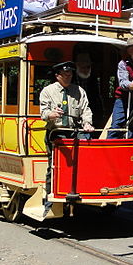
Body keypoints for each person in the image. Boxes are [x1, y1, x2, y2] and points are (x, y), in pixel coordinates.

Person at [39, 61, 94, 196]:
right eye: (65, 75)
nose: (68, 77)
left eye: (70, 75)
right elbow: (43, 113)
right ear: (58, 76)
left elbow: (85, 110)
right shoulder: (48, 91)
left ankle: (81, 189)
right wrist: (52, 114)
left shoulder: (79, 91)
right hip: (57, 132)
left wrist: (87, 123)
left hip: (74, 131)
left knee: (87, 151)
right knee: (56, 165)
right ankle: (50, 196)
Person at [73, 48, 106, 129]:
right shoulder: (71, 79)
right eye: (82, 66)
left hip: (92, 114)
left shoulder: (93, 79)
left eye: (88, 67)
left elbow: (97, 97)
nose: (85, 69)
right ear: (77, 66)